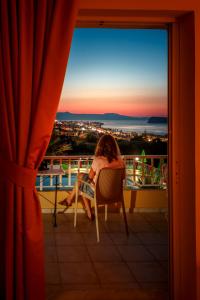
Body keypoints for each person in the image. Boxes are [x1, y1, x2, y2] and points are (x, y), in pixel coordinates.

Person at [59, 134, 125, 220]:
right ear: (114, 146)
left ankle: (71, 200)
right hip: (116, 194)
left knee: (81, 184)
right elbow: (122, 178)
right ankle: (73, 203)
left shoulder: (98, 160)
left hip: (99, 194)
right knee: (81, 177)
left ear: (100, 146)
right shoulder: (121, 161)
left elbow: (90, 178)